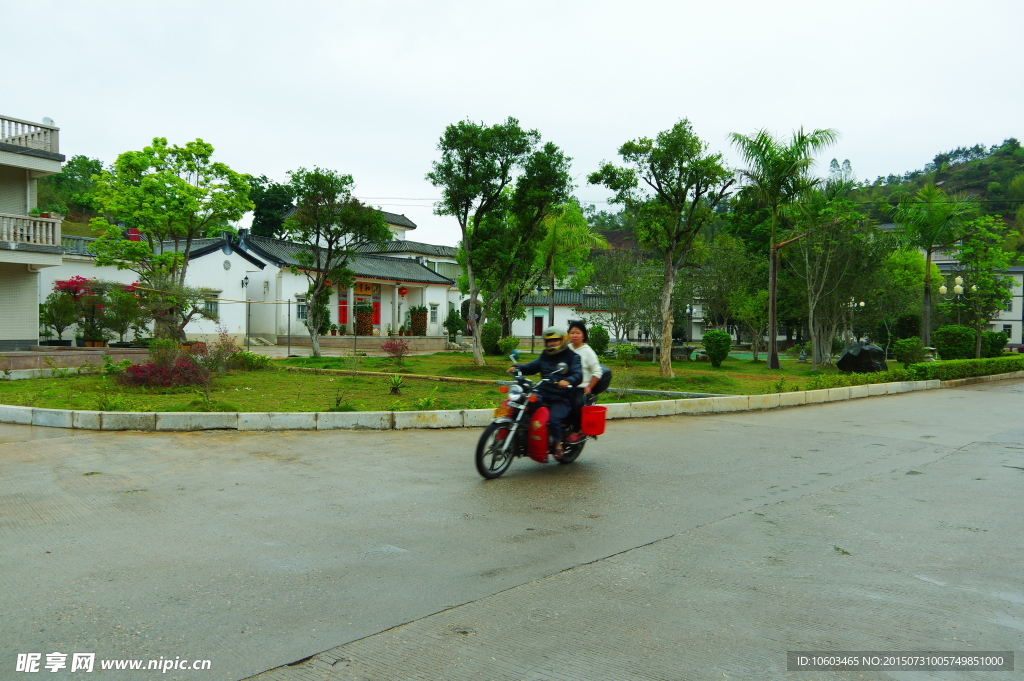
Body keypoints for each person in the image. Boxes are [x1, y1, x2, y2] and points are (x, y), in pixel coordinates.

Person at [508, 326, 582, 459]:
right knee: (524, 405)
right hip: (544, 391)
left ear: (562, 340)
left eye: (555, 340)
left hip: (561, 396)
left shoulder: (572, 357)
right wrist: (518, 368)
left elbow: (578, 374)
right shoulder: (545, 354)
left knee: (554, 419)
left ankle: (558, 444)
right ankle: (524, 435)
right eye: (548, 341)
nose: (551, 343)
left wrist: (568, 381)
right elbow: (533, 366)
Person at [566, 320, 603, 442]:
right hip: (566, 384)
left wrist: (589, 386)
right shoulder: (567, 349)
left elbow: (597, 372)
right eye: (572, 332)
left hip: (580, 386)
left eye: (577, 332)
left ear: (583, 335)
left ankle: (577, 430)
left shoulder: (588, 351)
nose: (574, 335)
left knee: (575, 404)